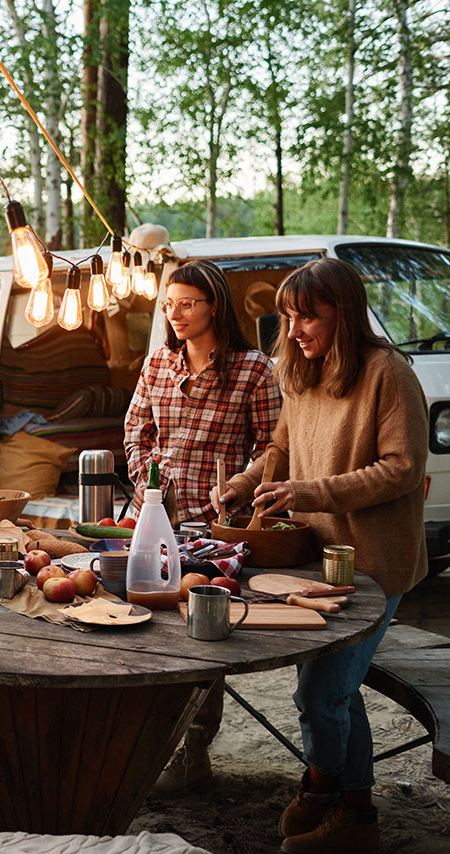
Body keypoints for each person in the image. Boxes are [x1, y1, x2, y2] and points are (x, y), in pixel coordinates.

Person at [215, 257, 428, 854]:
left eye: (308, 316)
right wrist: (240, 481)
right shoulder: (302, 372)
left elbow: (405, 468)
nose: (295, 330)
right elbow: (281, 448)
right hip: (316, 562)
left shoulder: (388, 372)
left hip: (374, 566)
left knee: (323, 692)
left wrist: (312, 491)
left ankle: (345, 805)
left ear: (345, 313)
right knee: (322, 687)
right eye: (288, 317)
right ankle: (336, 796)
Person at [123, 260, 283, 795]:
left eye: (187, 303)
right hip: (156, 519)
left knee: (200, 637)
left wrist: (238, 483)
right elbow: (135, 429)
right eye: (169, 304)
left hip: (215, 528)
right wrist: (148, 478)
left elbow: (271, 446)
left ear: (214, 304)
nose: (176, 314)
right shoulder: (157, 365)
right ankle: (144, 744)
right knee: (143, 626)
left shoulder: (253, 369)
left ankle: (193, 751)